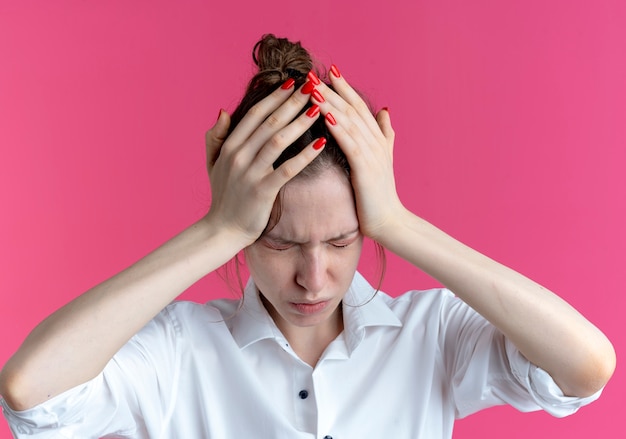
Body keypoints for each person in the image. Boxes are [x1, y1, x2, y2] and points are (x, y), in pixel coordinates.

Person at [0, 34, 616, 438]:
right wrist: (218, 227)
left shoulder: (432, 338)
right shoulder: (179, 353)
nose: (313, 278)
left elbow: (586, 366)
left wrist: (398, 223)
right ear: (243, 234)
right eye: (278, 242)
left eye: (344, 241)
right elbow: (29, 393)